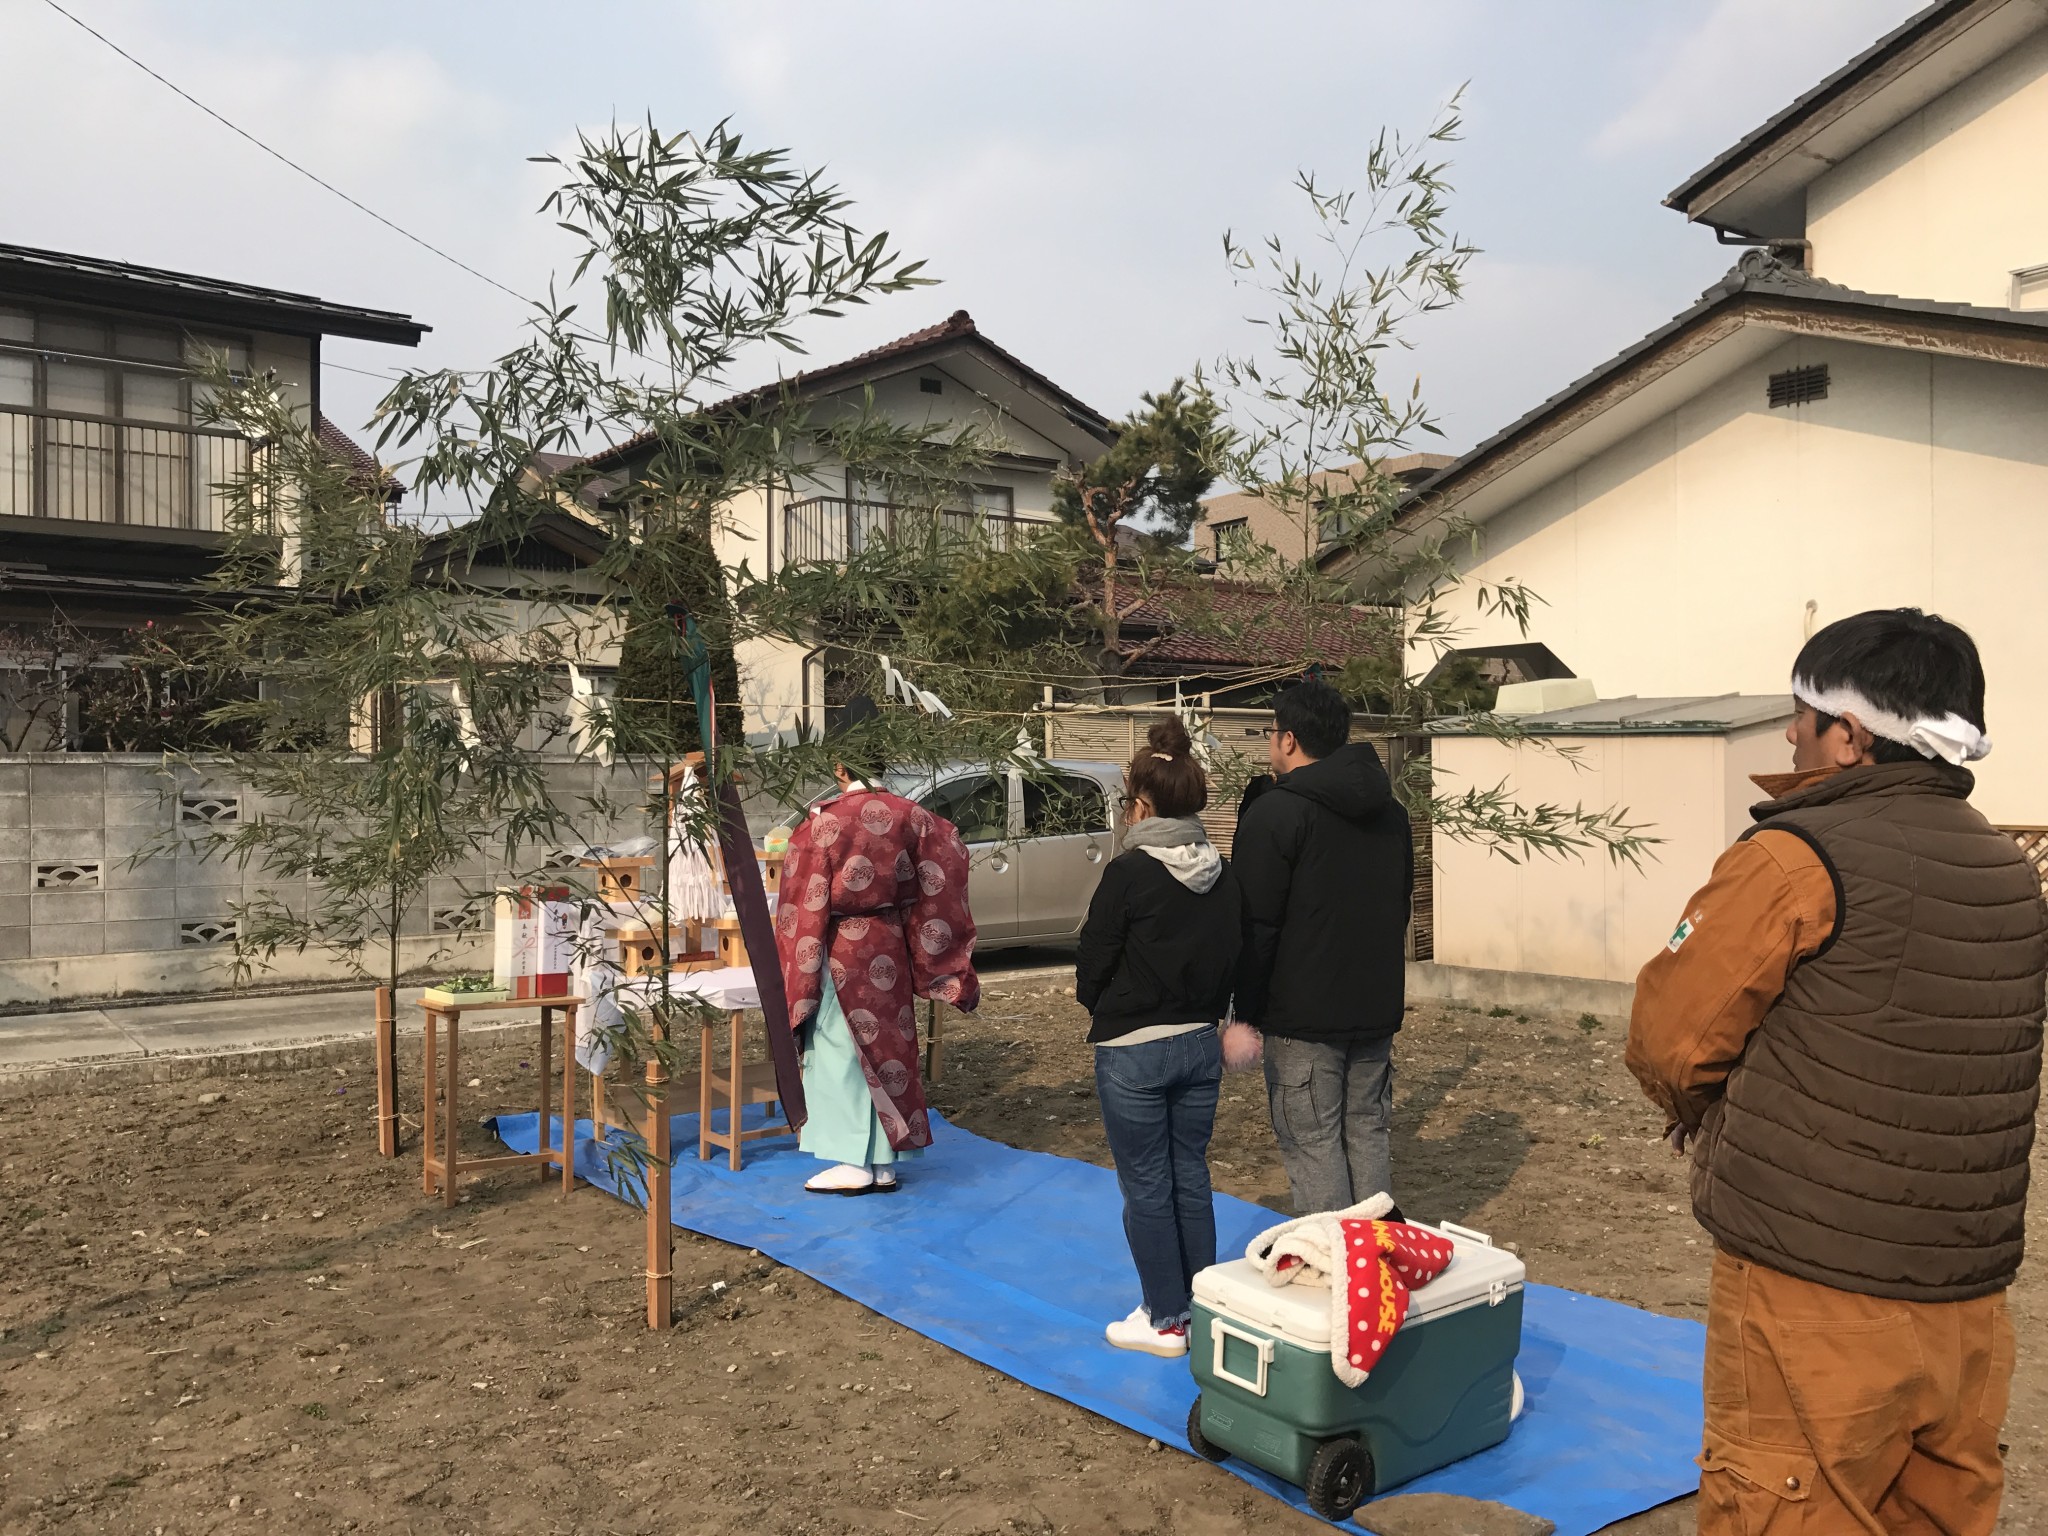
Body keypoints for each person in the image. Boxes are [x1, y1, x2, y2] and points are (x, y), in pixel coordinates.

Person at [1626, 609, 2045, 1536]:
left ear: (1851, 737)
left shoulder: (1792, 861)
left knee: (1784, 1509)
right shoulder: (2010, 871)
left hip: (1812, 1293)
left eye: (1802, 715)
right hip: (1968, 1306)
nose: (1788, 734)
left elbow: (1669, 1039)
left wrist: (1707, 1107)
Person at [1076, 719, 1243, 1358]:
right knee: (1189, 1177)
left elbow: (1094, 954)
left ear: (1141, 805)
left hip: (1134, 1046)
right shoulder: (1223, 873)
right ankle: (1200, 1308)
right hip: (1201, 1042)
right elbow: (1234, 952)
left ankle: (1165, 1317)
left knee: (1146, 1184)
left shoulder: (1129, 872)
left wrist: (1103, 1004)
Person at [775, 699, 980, 1195]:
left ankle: (853, 1159)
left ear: (839, 765)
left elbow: (802, 898)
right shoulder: (914, 817)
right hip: (889, 942)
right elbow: (946, 868)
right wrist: (928, 951)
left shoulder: (822, 825)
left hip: (842, 945)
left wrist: (800, 964)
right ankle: (886, 1159)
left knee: (841, 1049)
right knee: (889, 1046)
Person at [1233, 678, 1413, 1215]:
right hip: (1374, 1009)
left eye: (1270, 734)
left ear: (1288, 740)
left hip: (1301, 1018)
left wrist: (1246, 1009)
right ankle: (1376, 1267)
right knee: (1366, 1133)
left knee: (1312, 1142)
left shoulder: (1276, 813)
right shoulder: (1393, 813)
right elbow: (1399, 905)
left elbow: (1255, 926)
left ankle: (1335, 1270)